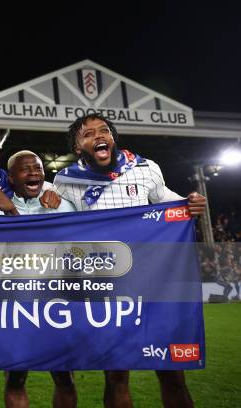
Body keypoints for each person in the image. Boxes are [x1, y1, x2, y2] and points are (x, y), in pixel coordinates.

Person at [54, 112, 206, 408]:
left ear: (112, 138)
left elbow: (171, 205)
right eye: (88, 134)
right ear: (77, 148)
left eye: (104, 131)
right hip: (108, 285)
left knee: (172, 374)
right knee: (116, 374)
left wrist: (192, 203)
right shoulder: (66, 181)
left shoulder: (146, 168)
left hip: (155, 282)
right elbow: (62, 231)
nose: (99, 136)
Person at [2, 150, 77, 408]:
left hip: (57, 303)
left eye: (38, 168)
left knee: (64, 378)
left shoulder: (62, 205)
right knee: (15, 379)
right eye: (25, 169)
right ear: (11, 178)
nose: (33, 172)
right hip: (14, 304)